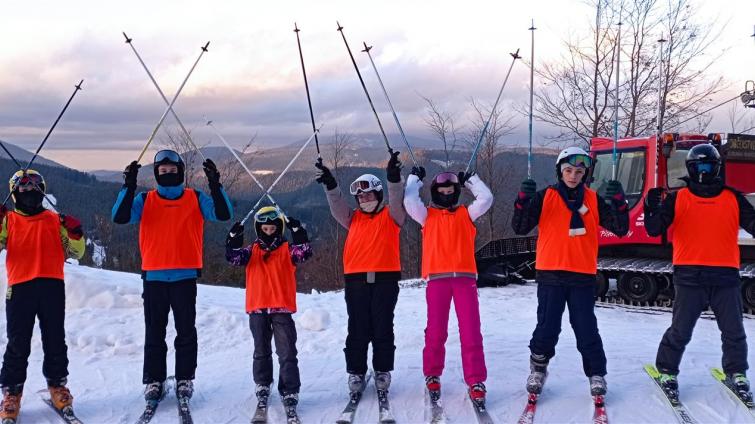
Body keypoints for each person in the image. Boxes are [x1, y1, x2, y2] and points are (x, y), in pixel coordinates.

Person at [111, 150, 232, 404]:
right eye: (162, 171)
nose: (167, 174)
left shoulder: (195, 197)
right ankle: (155, 380)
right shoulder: (145, 200)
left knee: (185, 331)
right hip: (154, 276)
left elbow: (223, 214)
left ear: (181, 172)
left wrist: (215, 184)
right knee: (154, 332)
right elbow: (119, 217)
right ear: (156, 174)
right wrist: (128, 186)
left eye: (172, 170)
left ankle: (184, 379)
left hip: (185, 276)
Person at [512, 146, 628, 397]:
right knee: (547, 327)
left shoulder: (594, 199)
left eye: (578, 171)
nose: (573, 175)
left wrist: (619, 203)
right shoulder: (545, 196)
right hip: (551, 273)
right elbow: (520, 227)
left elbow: (620, 228)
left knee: (586, 328)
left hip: (582, 274)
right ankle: (538, 368)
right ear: (559, 171)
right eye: (568, 170)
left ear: (585, 173)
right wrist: (522, 201)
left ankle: (596, 373)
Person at [645, 143, 755, 402]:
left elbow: (752, 223)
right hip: (690, 275)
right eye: (699, 166)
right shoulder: (678, 198)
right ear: (691, 169)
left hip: (724, 275)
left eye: (708, 166)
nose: (704, 171)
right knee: (681, 330)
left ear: (716, 168)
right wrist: (651, 208)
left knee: (733, 330)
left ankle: (736, 372)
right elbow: (653, 229)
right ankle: (667, 371)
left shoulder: (733, 198)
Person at [314, 152, 406, 399]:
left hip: (386, 279)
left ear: (377, 194)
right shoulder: (352, 219)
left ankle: (382, 370)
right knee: (357, 328)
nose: (363, 198)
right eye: (360, 195)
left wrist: (393, 178)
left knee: (383, 327)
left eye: (368, 194)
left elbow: (397, 198)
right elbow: (337, 206)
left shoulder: (391, 216)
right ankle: (356, 371)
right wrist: (330, 185)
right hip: (355, 280)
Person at [403, 165, 493, 405]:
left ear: (456, 191)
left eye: (450, 189)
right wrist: (414, 180)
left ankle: (475, 379)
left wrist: (472, 180)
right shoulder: (426, 216)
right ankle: (432, 373)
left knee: (471, 330)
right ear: (435, 192)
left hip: (465, 280)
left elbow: (486, 199)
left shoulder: (466, 214)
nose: (445, 193)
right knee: (436, 331)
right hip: (437, 280)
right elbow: (410, 202)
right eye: (441, 189)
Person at [0, 170, 85, 421]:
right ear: (14, 195)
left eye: (33, 190)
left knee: (55, 339)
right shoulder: (9, 221)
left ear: (42, 192)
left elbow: (76, 253)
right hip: (20, 288)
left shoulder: (54, 220)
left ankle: (57, 385)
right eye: (22, 191)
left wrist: (75, 233)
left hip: (51, 287)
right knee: (17, 342)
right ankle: (11, 393)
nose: (28, 195)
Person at [225, 206, 312, 416]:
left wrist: (299, 232)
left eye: (273, 229)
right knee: (261, 351)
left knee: (287, 352)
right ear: (258, 228)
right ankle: (263, 383)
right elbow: (233, 257)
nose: (269, 232)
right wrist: (233, 238)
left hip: (281, 307)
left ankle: (290, 389)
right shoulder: (251, 251)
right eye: (265, 228)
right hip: (257, 308)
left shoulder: (287, 249)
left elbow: (305, 252)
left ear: (279, 228)